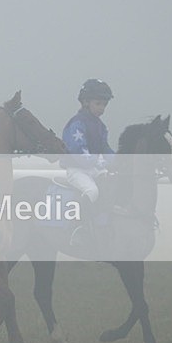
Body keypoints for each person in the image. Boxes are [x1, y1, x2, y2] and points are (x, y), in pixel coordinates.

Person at [62, 78, 115, 245]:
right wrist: (99, 163)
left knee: (112, 185)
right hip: (76, 170)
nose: (102, 109)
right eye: (98, 104)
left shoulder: (100, 126)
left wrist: (121, 162)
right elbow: (79, 151)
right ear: (86, 102)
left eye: (104, 105)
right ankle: (79, 228)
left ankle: (104, 226)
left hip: (91, 168)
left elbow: (106, 149)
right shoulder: (76, 124)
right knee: (92, 192)